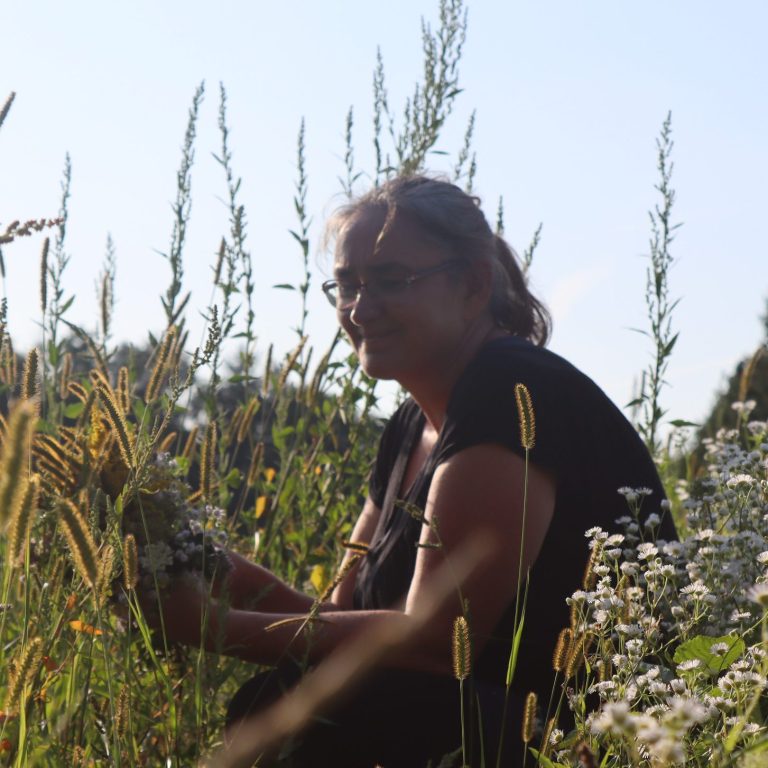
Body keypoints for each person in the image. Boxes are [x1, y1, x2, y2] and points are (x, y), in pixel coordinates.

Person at [154, 175, 677, 767]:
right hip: (472, 727)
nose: (359, 308)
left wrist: (212, 627)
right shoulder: (410, 426)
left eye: (390, 281)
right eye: (346, 285)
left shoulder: (508, 394)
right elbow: (341, 623)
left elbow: (433, 642)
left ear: (473, 285)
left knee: (291, 707)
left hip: (582, 741)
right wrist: (221, 571)